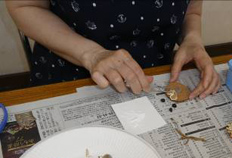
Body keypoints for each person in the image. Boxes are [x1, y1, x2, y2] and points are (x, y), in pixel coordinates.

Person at [6, 0, 220, 99]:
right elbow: (25, 6)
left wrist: (192, 38)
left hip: (155, 78)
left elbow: (192, 9)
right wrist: (91, 54)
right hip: (72, 76)